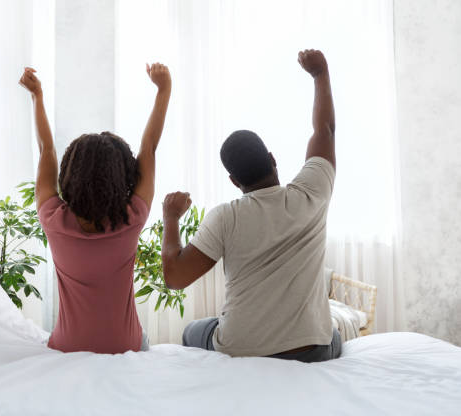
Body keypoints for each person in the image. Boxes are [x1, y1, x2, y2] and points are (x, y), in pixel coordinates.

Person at [160, 49, 341, 362]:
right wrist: (319, 74)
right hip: (313, 349)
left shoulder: (225, 217)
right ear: (272, 159)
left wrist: (171, 218)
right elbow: (324, 130)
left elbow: (175, 278)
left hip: (241, 346)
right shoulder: (312, 192)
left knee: (193, 331)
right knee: (335, 333)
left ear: (233, 180)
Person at [19, 62, 171, 353]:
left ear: (69, 175)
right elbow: (148, 148)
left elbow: (46, 149)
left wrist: (36, 96)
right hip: (124, 346)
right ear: (124, 178)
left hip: (68, 346)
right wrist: (164, 90)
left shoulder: (53, 218)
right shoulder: (132, 217)